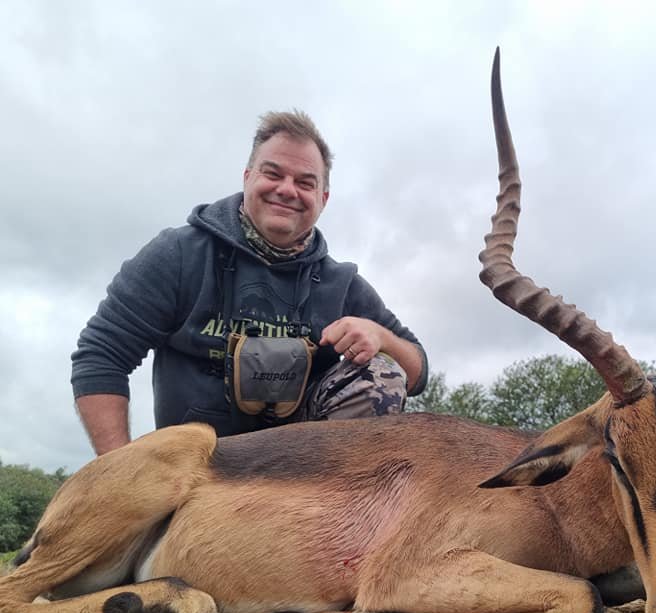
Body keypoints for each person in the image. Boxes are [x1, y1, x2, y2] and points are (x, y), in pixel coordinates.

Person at [72, 110, 427, 455]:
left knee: (381, 371)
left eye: (305, 182)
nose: (287, 190)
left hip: (304, 473)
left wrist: (380, 337)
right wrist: (120, 471)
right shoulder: (179, 254)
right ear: (247, 177)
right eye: (273, 174)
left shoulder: (344, 286)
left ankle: (339, 512)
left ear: (323, 199)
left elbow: (417, 371)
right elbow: (101, 353)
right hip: (193, 466)